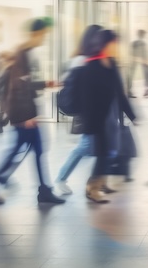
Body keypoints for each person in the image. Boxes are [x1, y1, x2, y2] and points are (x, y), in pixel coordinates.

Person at [0, 18, 65, 205]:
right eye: (43, 35)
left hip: (23, 112)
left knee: (33, 149)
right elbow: (19, 87)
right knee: (26, 150)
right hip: (23, 114)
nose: (44, 39)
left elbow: (25, 83)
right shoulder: (23, 54)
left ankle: (42, 190)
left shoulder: (24, 52)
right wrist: (27, 116)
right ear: (36, 34)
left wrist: (46, 83)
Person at [77, 30, 137, 203]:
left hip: (109, 117)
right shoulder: (91, 65)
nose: (116, 47)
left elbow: (119, 92)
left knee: (110, 151)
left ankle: (100, 183)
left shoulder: (111, 63)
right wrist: (89, 121)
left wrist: (131, 114)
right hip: (97, 118)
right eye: (114, 43)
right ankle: (92, 188)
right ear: (105, 44)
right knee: (103, 154)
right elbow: (86, 97)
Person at [55, 24, 105, 195]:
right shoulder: (81, 60)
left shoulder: (92, 58)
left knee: (96, 147)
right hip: (88, 111)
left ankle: (97, 182)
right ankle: (62, 178)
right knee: (85, 147)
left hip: (95, 110)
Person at [128, 29, 148, 98]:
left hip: (137, 60)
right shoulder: (140, 43)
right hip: (138, 60)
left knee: (145, 74)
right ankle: (146, 90)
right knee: (145, 74)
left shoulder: (135, 43)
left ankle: (146, 90)